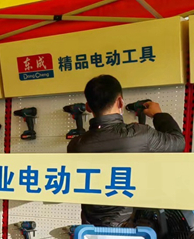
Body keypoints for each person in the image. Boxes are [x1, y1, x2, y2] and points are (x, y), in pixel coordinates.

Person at [67, 75, 185, 227]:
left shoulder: (76, 145)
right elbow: (178, 142)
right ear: (120, 102)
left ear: (88, 107)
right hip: (132, 229)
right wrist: (158, 115)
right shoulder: (140, 134)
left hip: (91, 231)